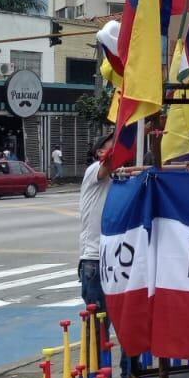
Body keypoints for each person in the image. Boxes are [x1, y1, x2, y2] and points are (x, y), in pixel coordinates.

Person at [78, 134, 114, 312]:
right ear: (100, 151)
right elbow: (111, 160)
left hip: (110, 257)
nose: (118, 145)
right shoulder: (95, 169)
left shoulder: (116, 176)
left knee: (107, 316)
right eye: (113, 143)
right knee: (97, 323)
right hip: (93, 259)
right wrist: (140, 133)